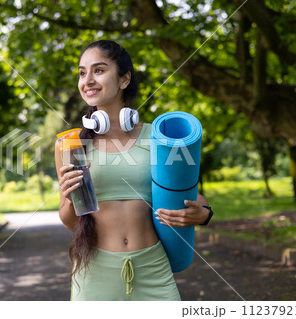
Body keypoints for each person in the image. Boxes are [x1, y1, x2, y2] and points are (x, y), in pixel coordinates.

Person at [54, 40, 211, 301]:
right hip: (95, 272)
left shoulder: (158, 138)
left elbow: (192, 196)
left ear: (124, 79)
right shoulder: (70, 144)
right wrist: (70, 198)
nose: (87, 80)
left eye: (99, 70)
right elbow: (71, 222)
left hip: (153, 269)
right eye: (82, 73)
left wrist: (203, 214)